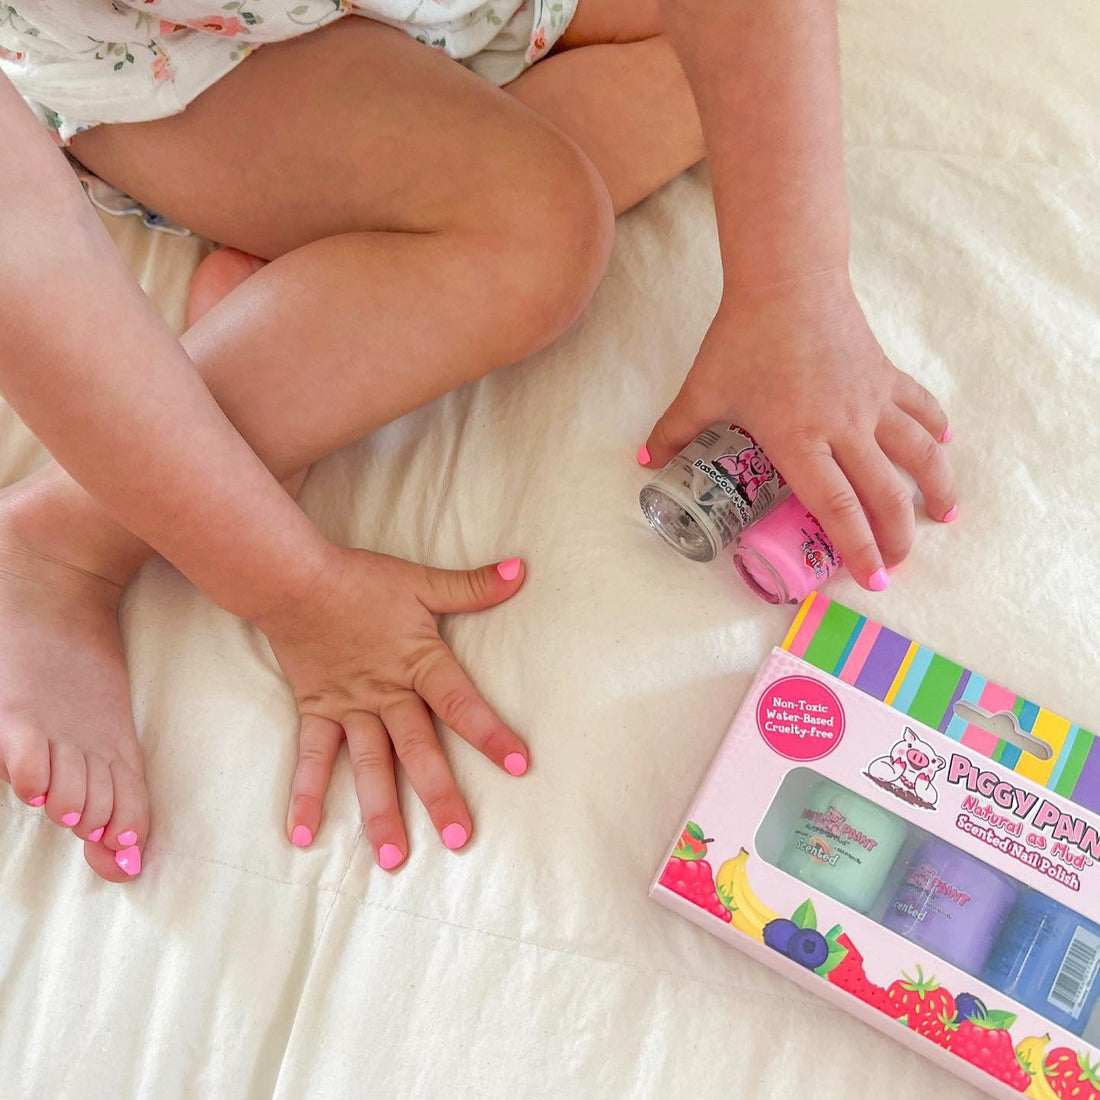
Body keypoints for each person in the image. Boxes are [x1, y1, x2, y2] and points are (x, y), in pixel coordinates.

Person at [0, 0, 956, 883]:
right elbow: (24, 252)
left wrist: (794, 294)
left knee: (742, 88)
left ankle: (326, 292)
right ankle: (66, 539)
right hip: (189, 58)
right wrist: (296, 590)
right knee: (541, 234)